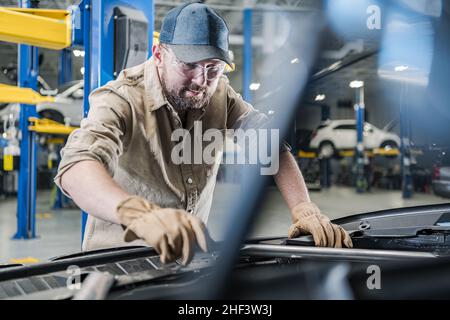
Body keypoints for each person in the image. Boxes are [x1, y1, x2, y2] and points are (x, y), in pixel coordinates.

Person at [55, 2, 352, 266]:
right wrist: (140, 215)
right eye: (189, 65)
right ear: (159, 54)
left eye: (213, 68)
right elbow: (76, 166)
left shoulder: (221, 94)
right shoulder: (121, 99)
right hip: (118, 267)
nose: (201, 80)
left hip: (187, 263)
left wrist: (304, 208)